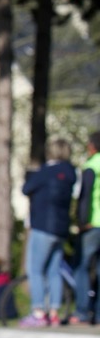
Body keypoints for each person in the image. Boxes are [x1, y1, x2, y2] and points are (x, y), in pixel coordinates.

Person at [20, 137, 76, 327]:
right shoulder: (70, 174)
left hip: (43, 226)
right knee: (54, 271)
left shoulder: (45, 172)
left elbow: (26, 189)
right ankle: (54, 313)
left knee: (35, 270)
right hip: (61, 228)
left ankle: (38, 312)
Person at [70, 131, 100, 326]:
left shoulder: (91, 166)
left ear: (91, 146)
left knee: (80, 267)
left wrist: (82, 221)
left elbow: (85, 196)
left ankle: (82, 311)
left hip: (93, 223)